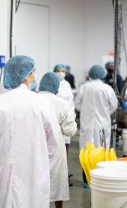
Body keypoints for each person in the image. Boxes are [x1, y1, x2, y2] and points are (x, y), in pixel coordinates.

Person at [0, 55, 58, 208]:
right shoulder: (42, 103)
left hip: (3, 171)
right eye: (33, 72)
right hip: (35, 170)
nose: (34, 75)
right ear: (27, 76)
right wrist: (40, 155)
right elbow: (53, 143)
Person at [39, 72, 77, 208]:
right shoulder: (61, 103)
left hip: (36, 147)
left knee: (36, 181)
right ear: (56, 86)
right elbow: (70, 129)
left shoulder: (33, 99)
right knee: (57, 182)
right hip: (55, 148)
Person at [75, 65, 118, 149]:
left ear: (90, 74)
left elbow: (77, 104)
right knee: (102, 149)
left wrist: (85, 110)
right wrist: (105, 112)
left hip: (87, 124)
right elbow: (114, 105)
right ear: (103, 75)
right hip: (103, 124)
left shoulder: (83, 87)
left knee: (86, 150)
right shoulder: (107, 88)